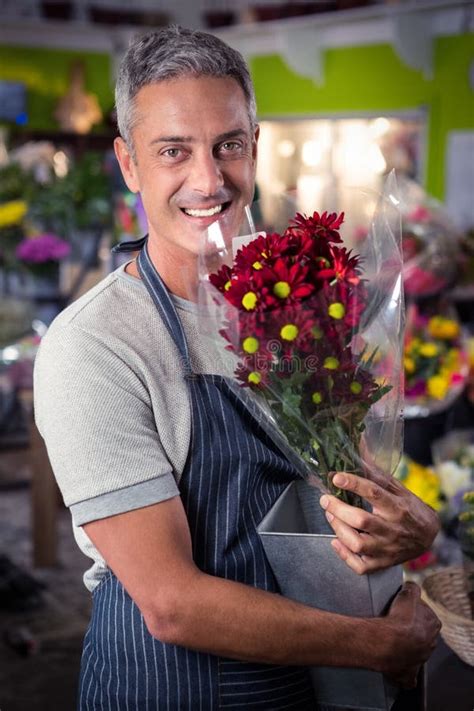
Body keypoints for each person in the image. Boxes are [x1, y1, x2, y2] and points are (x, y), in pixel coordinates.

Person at [34, 25, 441, 710]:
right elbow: (171, 603)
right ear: (129, 164)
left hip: (312, 674)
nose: (209, 178)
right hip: (175, 684)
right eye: (173, 151)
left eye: (229, 144)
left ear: (255, 145)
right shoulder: (96, 344)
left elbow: (352, 480)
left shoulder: (294, 302)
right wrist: (378, 645)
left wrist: (413, 528)